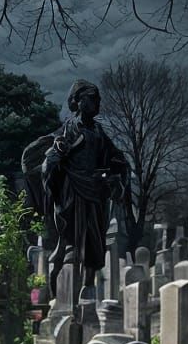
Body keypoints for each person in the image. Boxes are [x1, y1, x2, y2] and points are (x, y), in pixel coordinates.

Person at [23, 79, 129, 298]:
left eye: (98, 98)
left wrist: (117, 175)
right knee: (66, 243)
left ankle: (87, 290)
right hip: (71, 194)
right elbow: (46, 158)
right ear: (79, 102)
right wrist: (56, 154)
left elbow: (115, 157)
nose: (97, 103)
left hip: (94, 195)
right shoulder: (69, 129)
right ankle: (59, 294)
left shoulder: (98, 132)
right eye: (92, 98)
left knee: (93, 244)